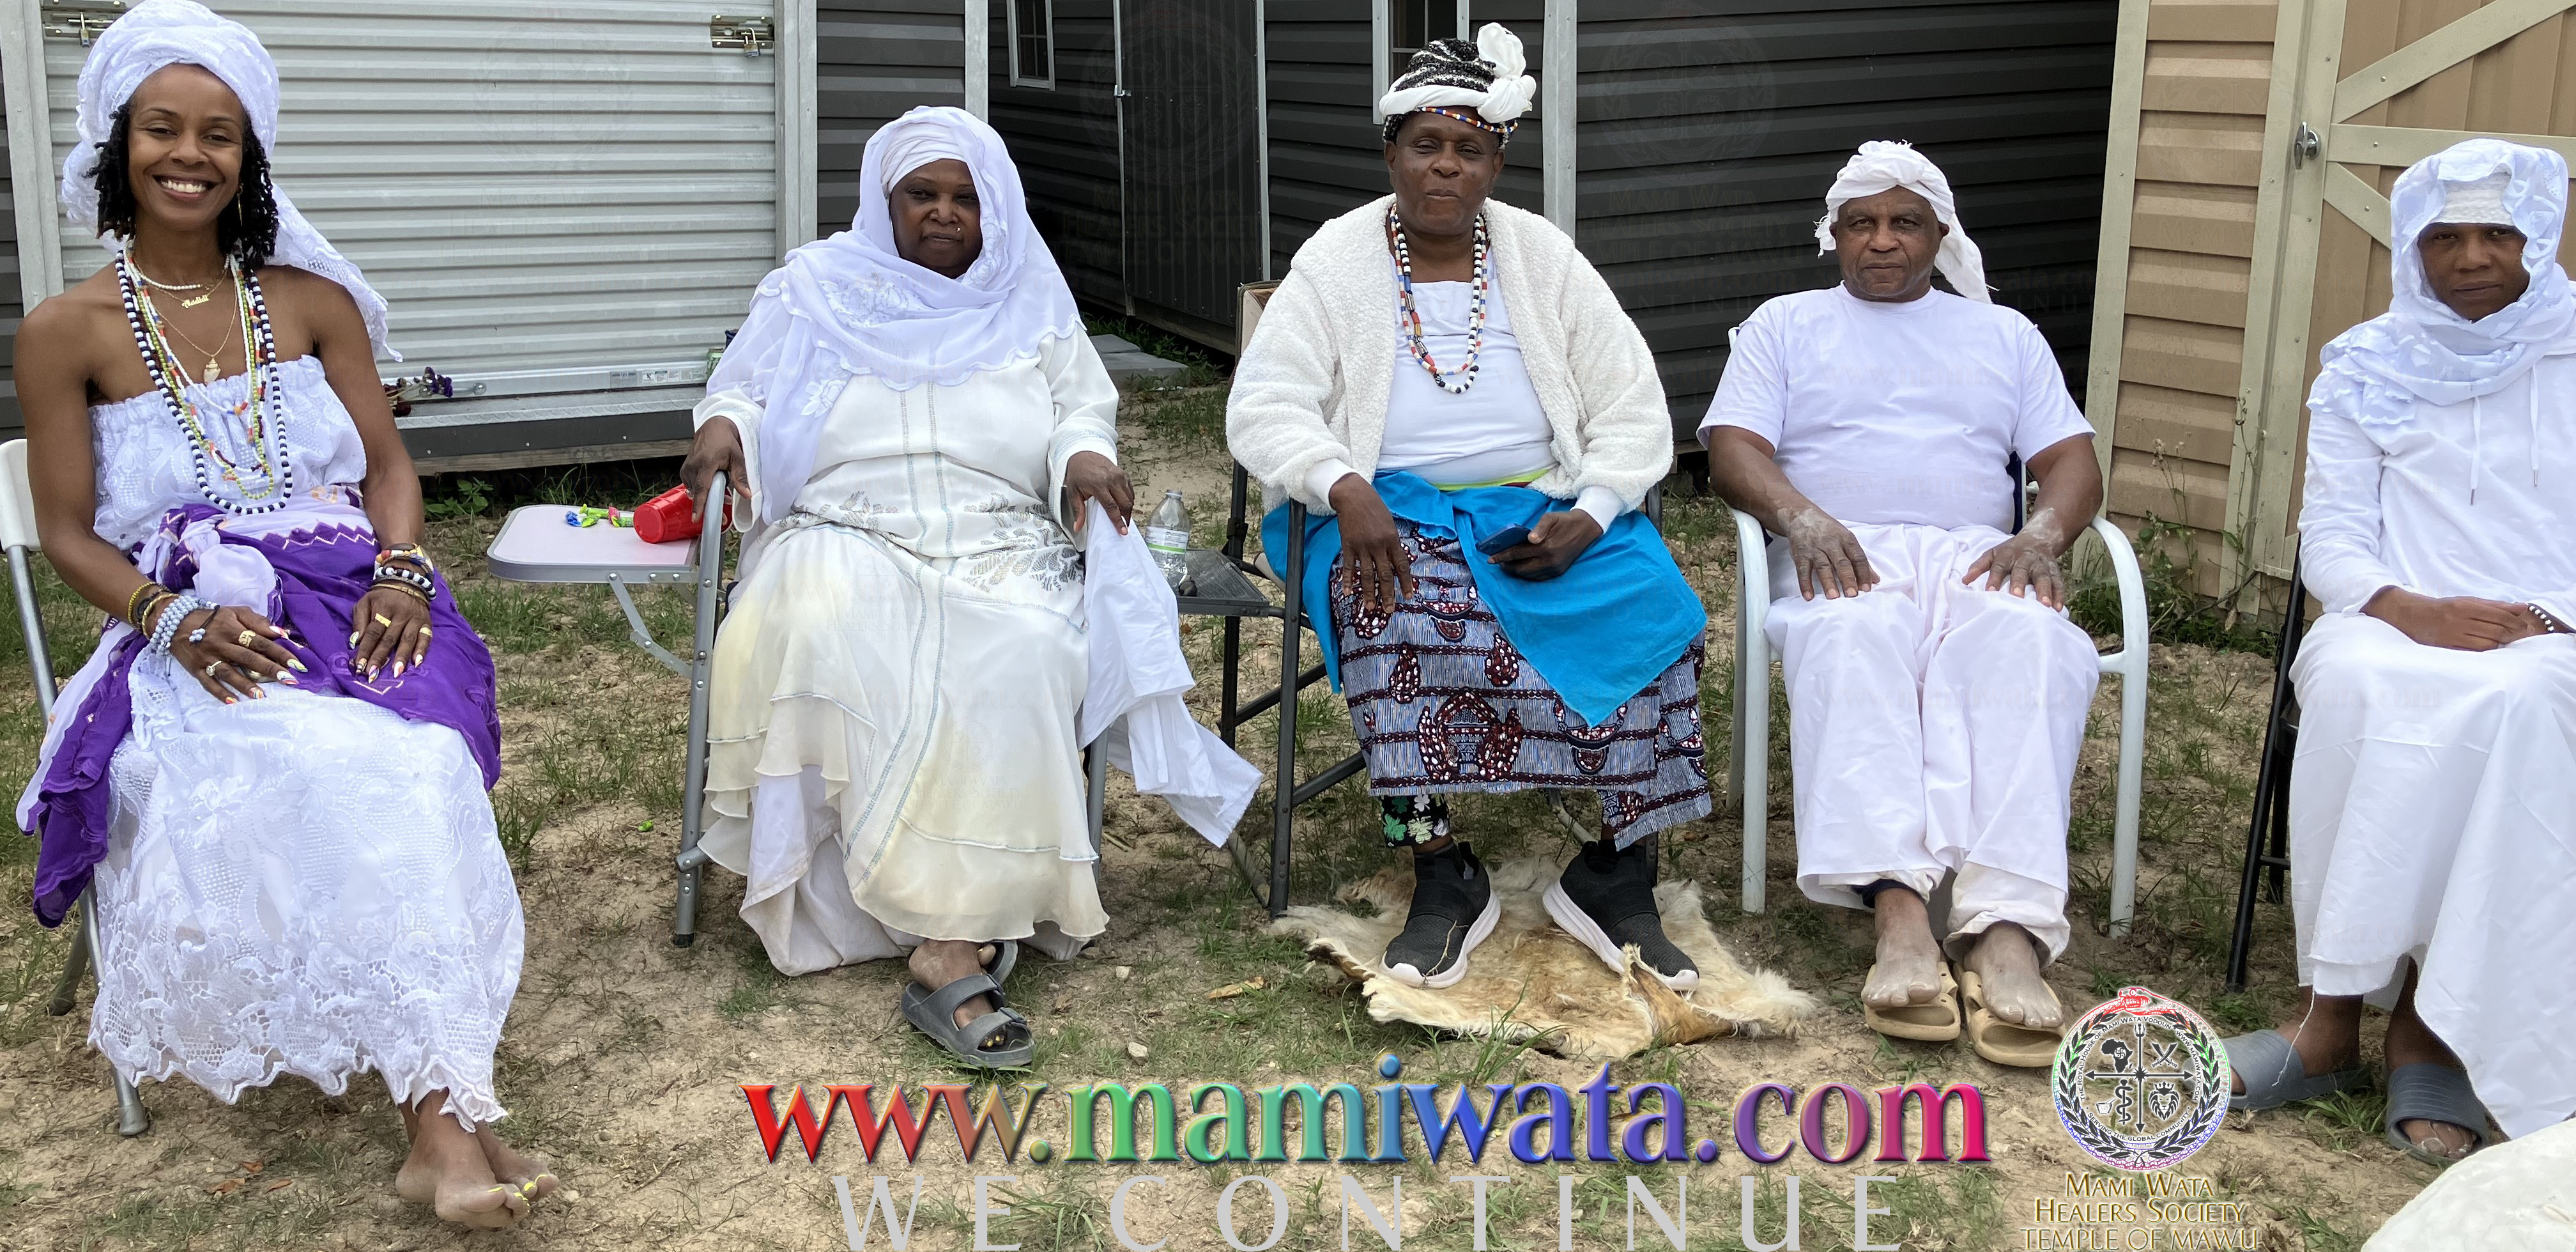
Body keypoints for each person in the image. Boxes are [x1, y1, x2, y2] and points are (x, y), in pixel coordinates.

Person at [11, 1, 543, 1230]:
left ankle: (439, 1124)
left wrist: (408, 571)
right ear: (116, 146)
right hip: (193, 617)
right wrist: (169, 620)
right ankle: (448, 1130)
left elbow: (388, 468)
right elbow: (69, 536)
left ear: (250, 159)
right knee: (308, 763)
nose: (189, 156)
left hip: (363, 589)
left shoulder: (309, 301)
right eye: (161, 130)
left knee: (406, 767)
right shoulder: (65, 331)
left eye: (219, 135)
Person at [1228, 26, 1711, 993]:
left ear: (1496, 163)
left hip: (1540, 501)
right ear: (1392, 154)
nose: (1446, 165)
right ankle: (1440, 868)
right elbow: (1265, 403)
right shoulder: (1337, 260)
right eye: (1425, 145)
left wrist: (1598, 506)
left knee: (1660, 610)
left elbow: (1629, 400)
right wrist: (1342, 486)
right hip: (1381, 505)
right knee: (1391, 613)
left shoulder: (1542, 256)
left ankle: (1618, 872)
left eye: (1469, 149)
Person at [682, 106, 1135, 1067]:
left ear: (996, 210)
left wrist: (1086, 457)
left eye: (967, 198)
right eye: (921, 194)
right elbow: (741, 389)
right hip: (843, 524)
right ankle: (889, 914)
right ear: (882, 202)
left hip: (995, 531)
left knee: (1026, 645)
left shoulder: (1029, 300)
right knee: (809, 615)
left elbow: (1080, 409)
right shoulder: (811, 290)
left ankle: (950, 940)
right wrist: (722, 425)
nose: (944, 214)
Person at [1699, 142, 2101, 1067]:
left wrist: (2040, 538)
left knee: (2036, 647)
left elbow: (2072, 463)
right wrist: (1799, 517)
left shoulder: (2002, 335)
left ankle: (2008, 928)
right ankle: (1900, 915)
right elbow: (1732, 448)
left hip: (1975, 557)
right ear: (1833, 235)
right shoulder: (1786, 325)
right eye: (1862, 223)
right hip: (1844, 550)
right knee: (1856, 638)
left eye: (1905, 222)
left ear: (1940, 233)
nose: (1883, 241)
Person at [2221, 137, 2576, 1163]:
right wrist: (2407, 610)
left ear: (2536, 240)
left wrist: (2547, 620)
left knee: (2517, 706)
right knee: (2358, 688)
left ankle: (2434, 1029)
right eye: (2446, 237)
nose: (2472, 257)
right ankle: (2325, 1016)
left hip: (2549, 635)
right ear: (2412, 252)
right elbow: (2329, 535)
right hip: (2390, 618)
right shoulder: (2367, 361)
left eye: (2498, 234)